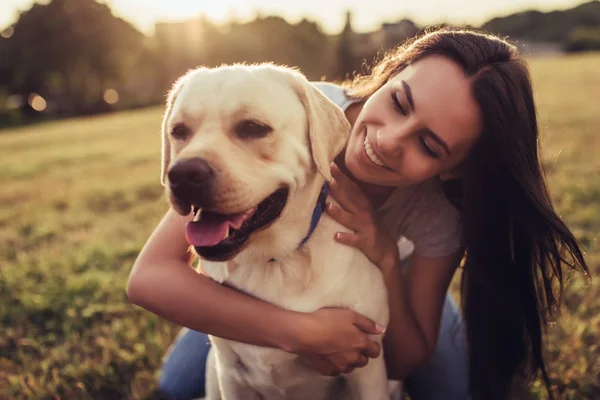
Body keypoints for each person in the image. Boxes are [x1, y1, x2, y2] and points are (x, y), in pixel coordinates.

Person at [127, 27, 589, 400]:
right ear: (389, 74)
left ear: (455, 169)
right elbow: (149, 278)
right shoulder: (293, 102)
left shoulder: (440, 212)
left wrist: (388, 259)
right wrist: (302, 334)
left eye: (428, 145)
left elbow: (404, 359)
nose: (387, 140)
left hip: (394, 284)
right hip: (251, 280)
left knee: (449, 388)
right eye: (399, 101)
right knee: (179, 385)